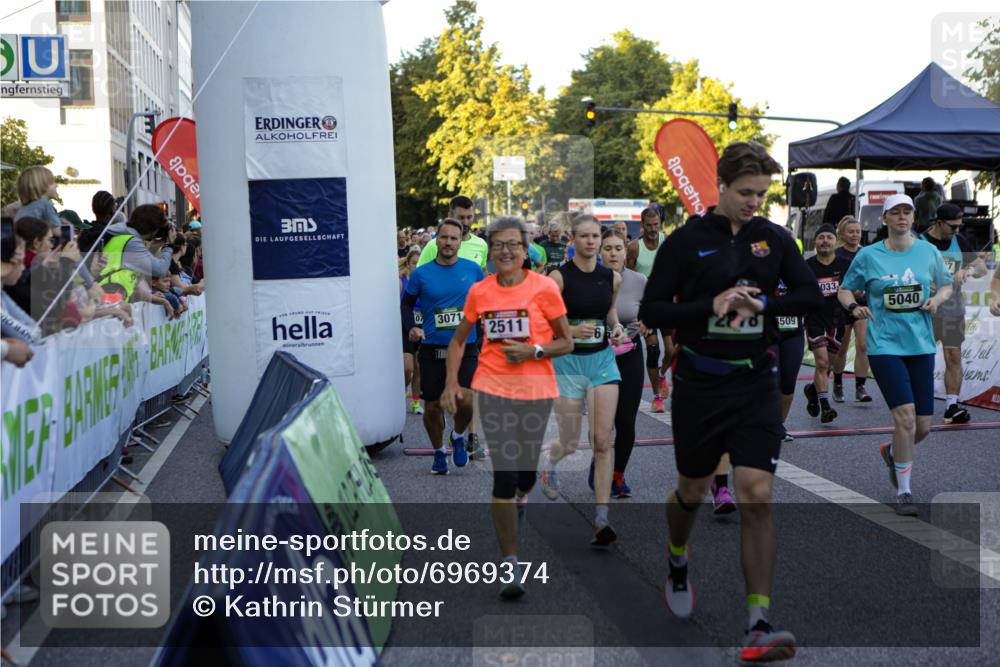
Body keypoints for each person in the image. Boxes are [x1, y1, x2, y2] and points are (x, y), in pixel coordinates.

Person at [640, 142, 822, 661]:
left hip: (754, 380)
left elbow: (810, 296)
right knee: (692, 492)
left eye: (762, 194)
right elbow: (654, 308)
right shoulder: (687, 240)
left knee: (756, 492)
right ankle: (677, 555)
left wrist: (765, 303)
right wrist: (710, 304)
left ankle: (757, 622)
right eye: (745, 193)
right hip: (700, 381)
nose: (754, 202)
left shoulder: (774, 238)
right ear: (720, 186)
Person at [440, 216, 573, 599]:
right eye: (498, 244)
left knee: (524, 476)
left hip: (536, 390)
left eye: (514, 244)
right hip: (492, 387)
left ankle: (524, 492)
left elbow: (566, 342)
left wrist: (533, 350)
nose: (506, 251)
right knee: (504, 476)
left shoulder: (545, 288)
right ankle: (510, 566)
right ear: (489, 250)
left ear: (526, 248)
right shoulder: (480, 292)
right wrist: (453, 382)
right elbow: (458, 341)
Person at [838, 194, 953, 517]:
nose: (902, 217)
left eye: (907, 212)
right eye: (895, 213)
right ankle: (904, 491)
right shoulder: (868, 255)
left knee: (924, 427)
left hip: (921, 344)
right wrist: (853, 306)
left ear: (913, 218)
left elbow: (945, 286)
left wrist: (937, 301)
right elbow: (845, 289)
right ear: (885, 218)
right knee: (903, 417)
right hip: (885, 345)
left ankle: (892, 451)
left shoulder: (928, 252)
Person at [539, 214, 625, 547]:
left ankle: (601, 519)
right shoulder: (559, 278)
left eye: (595, 237)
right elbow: (542, 318)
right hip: (568, 364)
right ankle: (553, 460)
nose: (591, 242)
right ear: (572, 239)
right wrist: (570, 331)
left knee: (602, 440)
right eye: (584, 236)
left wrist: (616, 328)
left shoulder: (611, 278)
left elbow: (611, 313)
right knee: (572, 440)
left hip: (602, 362)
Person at [401, 219, 484, 475]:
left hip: (466, 347)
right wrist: (411, 328)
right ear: (437, 240)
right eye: (444, 237)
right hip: (432, 349)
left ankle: (458, 436)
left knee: (467, 400)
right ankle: (439, 453)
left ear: (461, 242)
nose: (449, 243)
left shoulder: (473, 270)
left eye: (454, 238)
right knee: (434, 407)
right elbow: (405, 305)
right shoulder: (421, 274)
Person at [921, 203, 986, 424]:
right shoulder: (919, 242)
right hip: (925, 309)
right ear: (938, 222)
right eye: (953, 226)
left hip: (952, 309)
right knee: (922, 358)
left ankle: (952, 406)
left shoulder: (960, 241)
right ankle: (916, 402)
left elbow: (982, 268)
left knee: (954, 356)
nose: (957, 230)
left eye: (960, 226)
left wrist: (968, 269)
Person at [599, 228, 645, 497]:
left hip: (630, 356)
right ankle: (601, 459)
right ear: (599, 251)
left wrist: (649, 323)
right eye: (608, 248)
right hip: (597, 357)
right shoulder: (589, 280)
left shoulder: (639, 280)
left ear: (626, 251)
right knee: (603, 424)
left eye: (618, 248)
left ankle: (617, 475)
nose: (613, 253)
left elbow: (652, 311)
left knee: (626, 421)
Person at [801, 224, 852, 424]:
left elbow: (853, 288)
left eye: (828, 238)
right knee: (821, 363)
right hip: (814, 320)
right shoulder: (807, 265)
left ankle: (813, 391)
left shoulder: (845, 264)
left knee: (828, 366)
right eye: (821, 237)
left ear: (835, 241)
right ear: (815, 242)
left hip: (838, 320)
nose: (824, 241)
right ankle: (826, 407)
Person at [628, 207, 673, 412]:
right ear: (642, 225)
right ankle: (656, 396)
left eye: (656, 224)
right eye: (649, 225)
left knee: (672, 351)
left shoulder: (668, 242)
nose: (653, 229)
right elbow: (628, 277)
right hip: (645, 307)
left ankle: (663, 375)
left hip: (666, 304)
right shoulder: (634, 247)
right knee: (653, 349)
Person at [832, 216, 872, 403]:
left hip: (863, 304)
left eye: (858, 231)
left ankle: (860, 387)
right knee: (842, 347)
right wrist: (848, 291)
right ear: (842, 233)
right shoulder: (837, 254)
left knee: (863, 346)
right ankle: (838, 383)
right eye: (851, 232)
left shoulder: (866, 253)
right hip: (842, 305)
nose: (855, 235)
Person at [98, 204, 174, 302]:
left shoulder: (121, 234)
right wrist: (169, 245)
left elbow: (138, 273)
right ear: (153, 229)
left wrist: (150, 295)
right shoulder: (131, 242)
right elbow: (160, 270)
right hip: (108, 297)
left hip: (108, 294)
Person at [417, 196, 488, 270]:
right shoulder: (433, 246)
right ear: (450, 216)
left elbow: (483, 272)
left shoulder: (481, 244)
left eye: (469, 217)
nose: (466, 222)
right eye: (461, 218)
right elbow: (419, 277)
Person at [1, 218, 40, 346]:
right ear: (10, 262)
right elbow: (27, 338)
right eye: (21, 262)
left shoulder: (3, 295)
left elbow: (34, 330)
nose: (23, 267)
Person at [399, 249, 423, 414]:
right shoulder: (401, 281)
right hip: (406, 326)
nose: (416, 266)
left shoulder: (424, 281)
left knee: (419, 367)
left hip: (422, 326)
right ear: (408, 265)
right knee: (408, 368)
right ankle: (401, 391)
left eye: (419, 263)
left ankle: (415, 402)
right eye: (413, 263)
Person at [13, 167, 62, 239]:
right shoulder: (45, 204)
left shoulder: (24, 208)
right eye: (52, 182)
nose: (56, 185)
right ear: (42, 185)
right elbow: (57, 232)